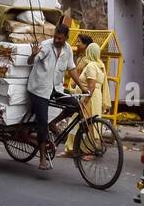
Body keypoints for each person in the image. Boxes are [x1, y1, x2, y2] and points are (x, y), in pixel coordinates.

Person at [27, 22, 81, 172]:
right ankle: (43, 157)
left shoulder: (68, 49)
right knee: (42, 123)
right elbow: (30, 62)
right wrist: (33, 54)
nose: (56, 40)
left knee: (75, 105)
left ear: (66, 38)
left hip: (55, 88)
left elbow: (72, 69)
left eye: (60, 39)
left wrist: (83, 87)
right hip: (38, 89)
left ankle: (53, 123)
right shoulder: (45, 46)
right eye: (55, 37)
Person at [65, 40, 110, 156]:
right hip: (96, 98)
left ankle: (82, 150)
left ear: (89, 52)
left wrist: (85, 101)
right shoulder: (101, 65)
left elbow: (91, 86)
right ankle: (81, 149)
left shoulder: (91, 66)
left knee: (80, 123)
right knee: (91, 125)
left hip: (89, 99)